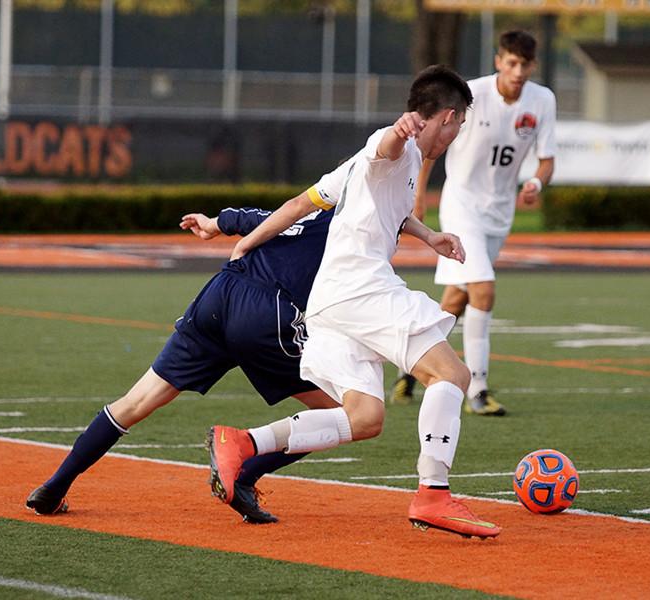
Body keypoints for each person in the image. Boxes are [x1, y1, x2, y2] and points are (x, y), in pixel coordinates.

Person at [206, 65, 501, 539]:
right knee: (453, 374)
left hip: (330, 301)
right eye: (459, 124)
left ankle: (242, 442)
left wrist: (430, 237)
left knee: (365, 418)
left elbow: (302, 204)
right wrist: (398, 133)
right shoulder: (394, 147)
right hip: (361, 289)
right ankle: (434, 495)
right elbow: (385, 148)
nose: (457, 133)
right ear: (446, 117)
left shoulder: (379, 168)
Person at [26, 203, 342, 524]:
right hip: (265, 312)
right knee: (342, 415)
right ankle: (244, 475)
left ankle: (55, 485)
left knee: (135, 402)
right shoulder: (357, 224)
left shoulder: (311, 208)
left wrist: (213, 223)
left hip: (221, 294)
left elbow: (250, 218)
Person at [391, 30, 557, 416]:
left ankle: (408, 366)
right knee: (483, 290)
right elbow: (433, 142)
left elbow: (546, 160)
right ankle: (478, 389)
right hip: (461, 205)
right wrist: (419, 196)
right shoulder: (472, 95)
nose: (517, 71)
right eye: (511, 62)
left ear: (533, 66)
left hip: (499, 214)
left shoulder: (542, 100)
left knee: (456, 300)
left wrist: (534, 182)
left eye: (525, 64)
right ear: (499, 61)